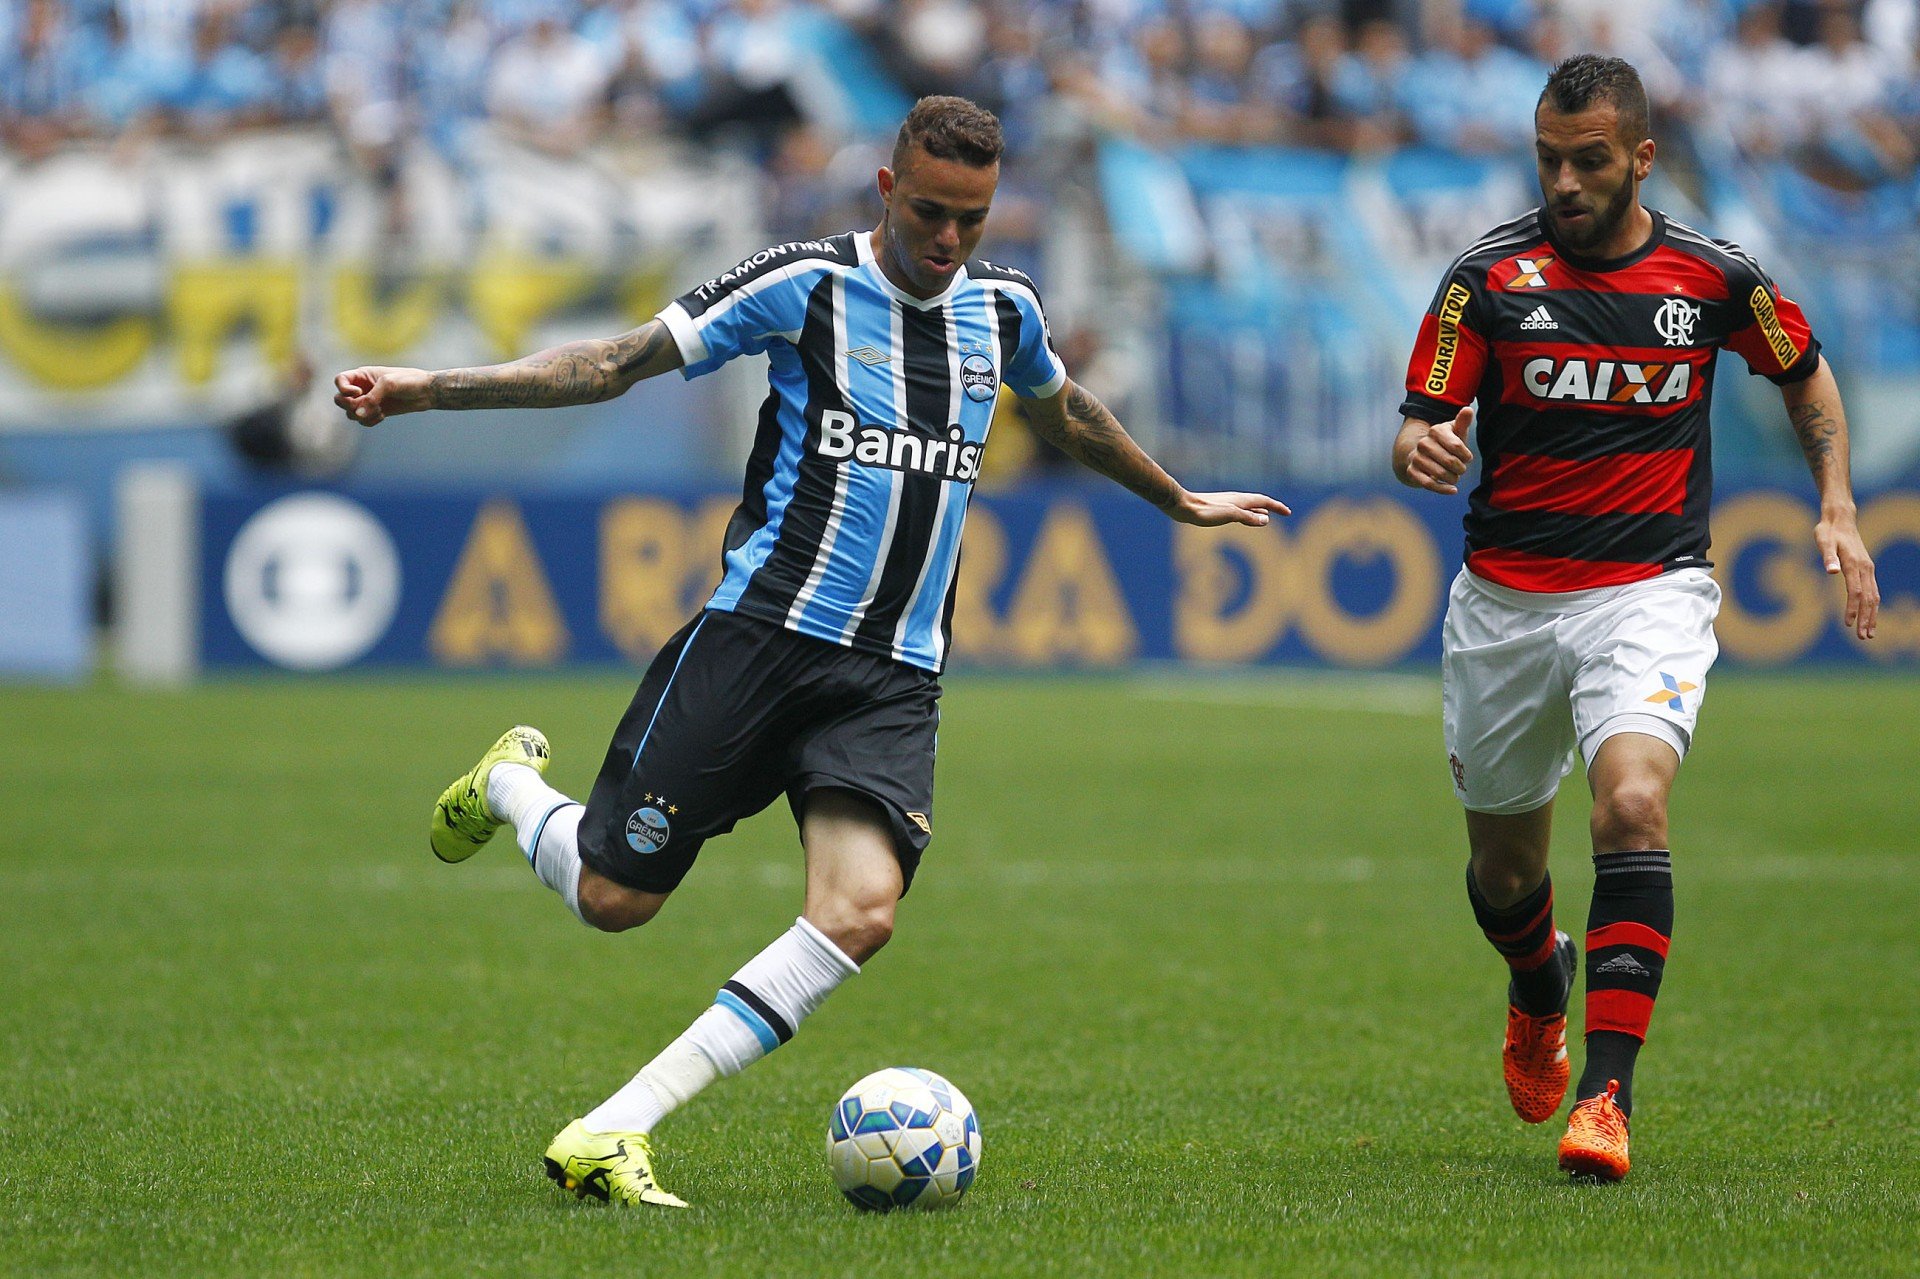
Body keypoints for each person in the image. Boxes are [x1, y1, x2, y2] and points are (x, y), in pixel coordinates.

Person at [333, 95, 1288, 1208]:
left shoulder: (1004, 310)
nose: (948, 240)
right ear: (888, 190)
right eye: (931, 212)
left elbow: (1065, 407)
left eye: (972, 221)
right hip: (760, 643)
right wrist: (422, 390)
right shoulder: (804, 285)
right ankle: (507, 783)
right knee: (611, 898)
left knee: (861, 910)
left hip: (891, 677)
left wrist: (1176, 499)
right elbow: (611, 363)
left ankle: (614, 1125)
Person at [1392, 54, 1878, 1183]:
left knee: (1634, 804)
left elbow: (1804, 372)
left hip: (1649, 590)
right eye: (1550, 158)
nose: (1565, 180)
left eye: (1590, 160)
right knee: (1507, 875)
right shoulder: (1487, 277)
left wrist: (1838, 508)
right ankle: (1537, 984)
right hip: (1507, 604)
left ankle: (1606, 1095)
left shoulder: (1712, 277)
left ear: (1642, 157)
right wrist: (1419, 444)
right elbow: (1421, 416)